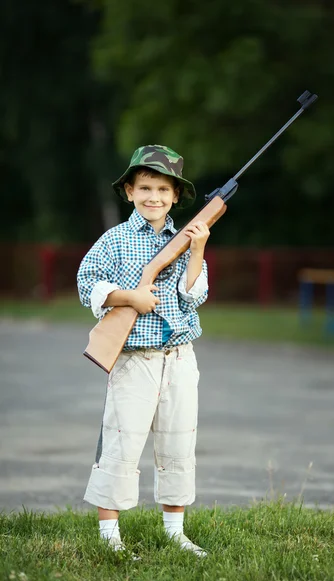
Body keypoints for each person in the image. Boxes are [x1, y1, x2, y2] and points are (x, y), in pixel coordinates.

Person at [77, 145, 210, 558]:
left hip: (180, 358)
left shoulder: (186, 240)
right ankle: (109, 538)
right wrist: (130, 297)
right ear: (130, 191)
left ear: (175, 197)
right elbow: (88, 283)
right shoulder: (114, 240)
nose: (154, 197)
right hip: (134, 360)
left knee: (178, 443)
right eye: (145, 188)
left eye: (163, 190)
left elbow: (194, 296)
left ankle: (175, 531)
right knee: (122, 443)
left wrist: (198, 249)